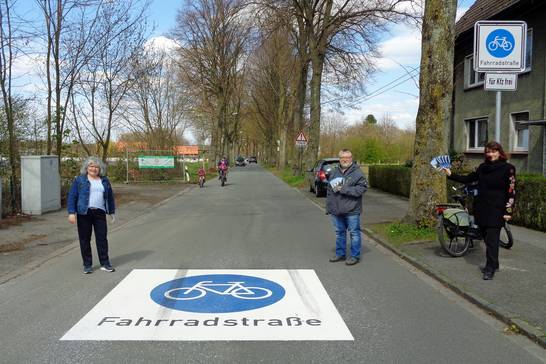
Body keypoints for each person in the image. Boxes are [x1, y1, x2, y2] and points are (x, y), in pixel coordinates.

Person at [442, 141, 516, 280]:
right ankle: (495, 263)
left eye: (494, 151)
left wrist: (508, 211)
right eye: (488, 151)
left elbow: (511, 191)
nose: (491, 154)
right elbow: (469, 179)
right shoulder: (482, 167)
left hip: (497, 210)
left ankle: (490, 268)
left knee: (492, 240)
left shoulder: (509, 168)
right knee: (486, 239)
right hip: (481, 208)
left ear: (499, 152)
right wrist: (451, 174)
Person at [67, 156, 116, 274]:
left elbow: (109, 197)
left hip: (99, 213)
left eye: (96, 167)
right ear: (87, 167)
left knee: (102, 238)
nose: (93, 169)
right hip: (84, 213)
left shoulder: (104, 181)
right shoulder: (80, 180)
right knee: (85, 239)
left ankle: (105, 263)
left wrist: (112, 212)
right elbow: (72, 196)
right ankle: (87, 265)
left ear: (100, 169)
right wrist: (71, 213)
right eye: (91, 166)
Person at [326, 149, 368, 265]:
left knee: (354, 233)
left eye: (348, 157)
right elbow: (329, 191)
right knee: (339, 232)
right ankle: (340, 254)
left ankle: (355, 256)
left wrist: (344, 189)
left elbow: (362, 189)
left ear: (351, 158)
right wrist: (329, 208)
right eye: (342, 157)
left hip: (352, 210)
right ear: (339, 159)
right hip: (336, 210)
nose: (345, 160)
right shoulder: (334, 172)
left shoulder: (358, 173)